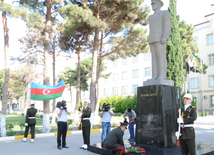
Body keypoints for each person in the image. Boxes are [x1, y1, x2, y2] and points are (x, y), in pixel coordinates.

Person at [149, 0, 171, 79]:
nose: (152, 5)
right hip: (152, 39)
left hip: (160, 38)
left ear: (159, 5)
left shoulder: (164, 13)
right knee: (154, 58)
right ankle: (155, 75)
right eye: (152, 4)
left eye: (154, 4)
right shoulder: (150, 17)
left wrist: (165, 36)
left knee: (161, 57)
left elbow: (167, 25)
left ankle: (162, 75)